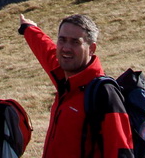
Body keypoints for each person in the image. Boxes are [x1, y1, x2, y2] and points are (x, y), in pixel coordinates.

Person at [19, 13, 134, 158]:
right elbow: (46, 51)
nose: (66, 48)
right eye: (62, 40)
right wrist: (29, 28)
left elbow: (121, 150)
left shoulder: (103, 93)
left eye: (75, 42)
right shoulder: (65, 79)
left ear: (91, 49)